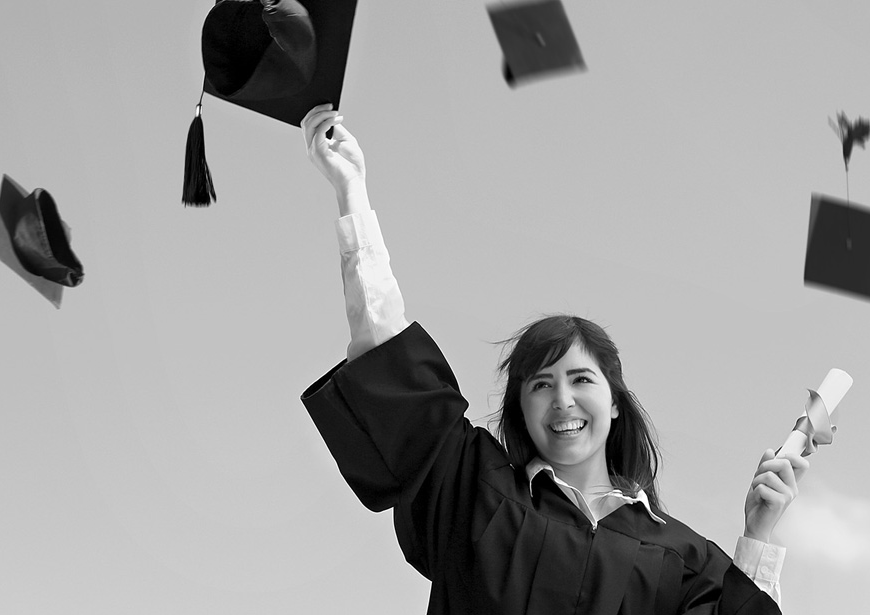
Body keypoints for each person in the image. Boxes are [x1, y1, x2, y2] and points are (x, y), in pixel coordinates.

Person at [297, 103, 807, 615]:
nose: (562, 399)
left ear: (614, 403)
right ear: (521, 408)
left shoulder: (682, 559)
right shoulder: (474, 490)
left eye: (581, 379)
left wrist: (757, 532)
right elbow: (388, 354)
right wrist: (351, 189)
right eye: (540, 384)